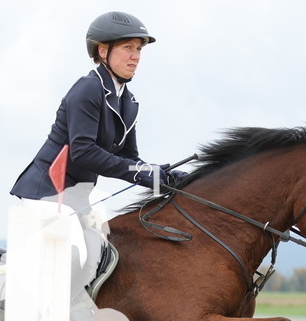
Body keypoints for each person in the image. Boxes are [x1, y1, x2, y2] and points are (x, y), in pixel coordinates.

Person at [10, 10, 186, 213]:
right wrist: (138, 172)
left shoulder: (129, 102)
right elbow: (83, 152)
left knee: (108, 242)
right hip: (46, 193)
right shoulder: (88, 88)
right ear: (103, 51)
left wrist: (163, 177)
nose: (135, 56)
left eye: (138, 48)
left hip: (77, 197)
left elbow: (129, 159)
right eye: (128, 47)